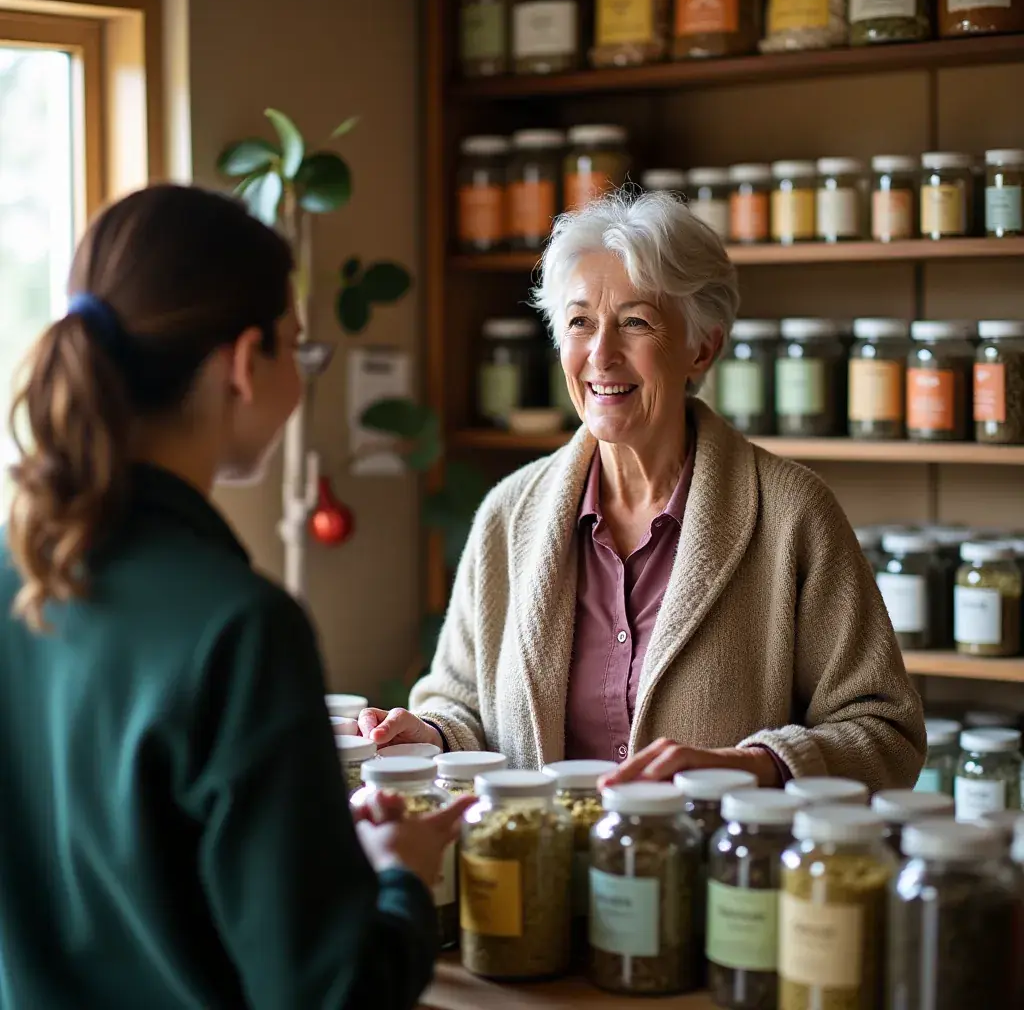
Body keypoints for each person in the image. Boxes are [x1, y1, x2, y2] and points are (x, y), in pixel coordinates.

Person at [0, 184, 470, 1009]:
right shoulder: (242, 629)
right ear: (246, 362)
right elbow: (330, 994)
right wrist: (401, 880)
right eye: (297, 344)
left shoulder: (21, 577)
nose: (299, 369)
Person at [360, 190, 926, 791]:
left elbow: (886, 732)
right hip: (535, 872)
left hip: (723, 876)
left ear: (701, 346)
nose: (601, 355)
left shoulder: (793, 515)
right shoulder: (508, 514)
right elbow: (462, 704)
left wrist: (753, 767)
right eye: (579, 322)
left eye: (635, 322)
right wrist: (429, 732)